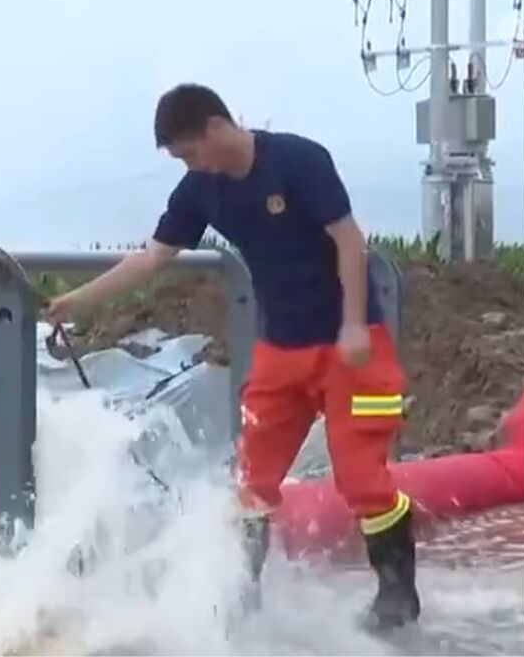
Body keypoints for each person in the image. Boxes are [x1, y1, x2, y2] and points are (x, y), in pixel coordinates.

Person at [43, 83, 421, 632]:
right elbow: (153, 257)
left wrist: (354, 324)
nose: (189, 165)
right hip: (280, 351)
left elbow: (349, 240)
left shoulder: (299, 160)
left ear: (216, 128)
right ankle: (237, 599)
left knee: (362, 479)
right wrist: (77, 300)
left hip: (350, 347)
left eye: (190, 152)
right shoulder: (200, 190)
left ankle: (397, 599)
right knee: (250, 482)